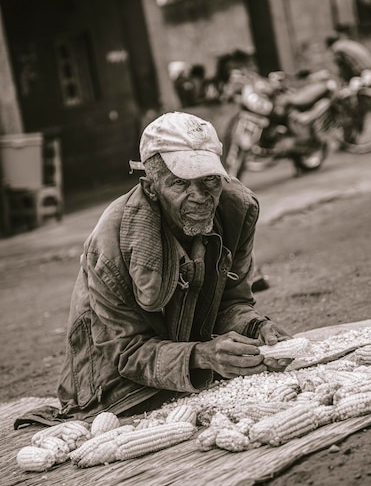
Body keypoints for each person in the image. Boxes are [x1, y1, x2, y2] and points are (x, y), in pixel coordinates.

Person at [54, 111, 291, 421]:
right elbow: (126, 352)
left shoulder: (236, 209)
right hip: (115, 386)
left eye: (209, 180)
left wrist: (256, 326)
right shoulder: (109, 244)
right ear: (151, 188)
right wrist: (202, 355)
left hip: (190, 363)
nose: (201, 197)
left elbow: (232, 302)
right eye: (180, 183)